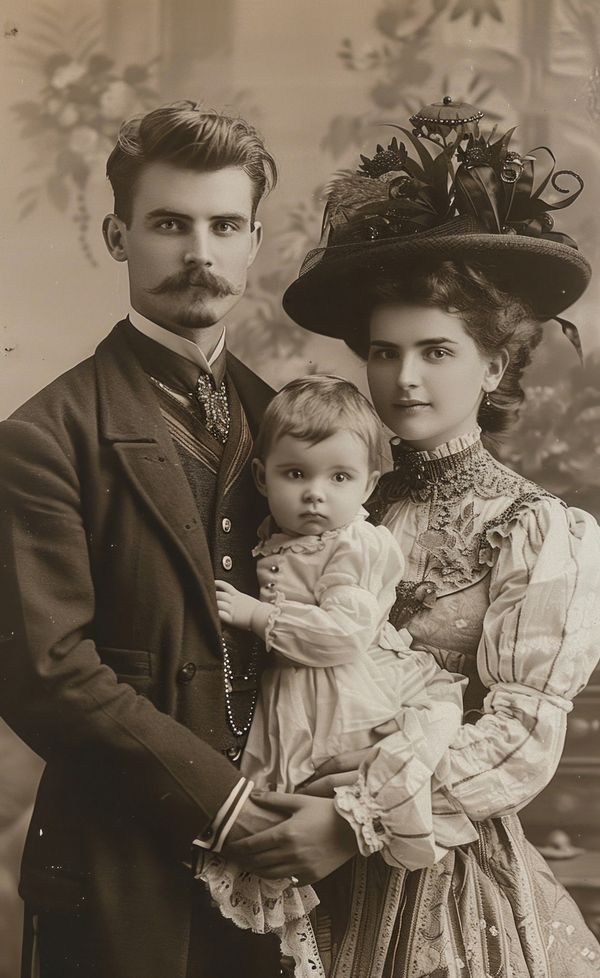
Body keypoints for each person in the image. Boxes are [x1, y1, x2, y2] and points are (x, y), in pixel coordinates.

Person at [0, 101, 356, 978]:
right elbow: (47, 673)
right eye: (169, 224)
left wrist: (335, 814)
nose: (200, 252)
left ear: (254, 241)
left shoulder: (289, 424)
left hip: (292, 853)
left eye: (224, 225)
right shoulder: (48, 436)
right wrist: (226, 804)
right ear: (119, 236)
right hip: (124, 864)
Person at [278, 97, 600, 975]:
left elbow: (521, 736)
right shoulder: (340, 499)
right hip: (297, 870)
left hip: (438, 878)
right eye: (384, 353)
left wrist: (355, 823)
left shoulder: (540, 530)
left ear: (494, 364)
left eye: (436, 351)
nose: (404, 379)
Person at [197, 374, 477, 977]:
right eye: (295, 474)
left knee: (319, 784)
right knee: (276, 815)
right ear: (261, 477)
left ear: (370, 484)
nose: (316, 495)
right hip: (292, 694)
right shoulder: (284, 538)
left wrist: (258, 615)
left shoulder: (354, 546)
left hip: (341, 688)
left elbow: (342, 634)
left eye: (340, 478)